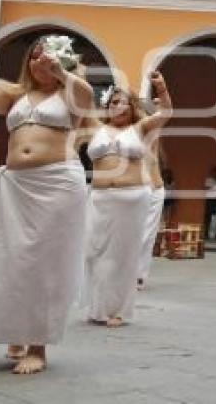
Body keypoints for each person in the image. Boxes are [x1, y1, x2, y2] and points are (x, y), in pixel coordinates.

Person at [0, 35, 93, 374]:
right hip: (16, 186)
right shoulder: (15, 95)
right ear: (28, 61)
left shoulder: (69, 90)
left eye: (49, 57)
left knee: (44, 263)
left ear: (62, 62)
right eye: (36, 56)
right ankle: (15, 329)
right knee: (10, 259)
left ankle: (37, 346)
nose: (40, 61)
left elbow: (85, 99)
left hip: (57, 182)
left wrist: (64, 72)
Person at [82, 77, 172, 327]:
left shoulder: (140, 128)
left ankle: (118, 311)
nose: (117, 106)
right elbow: (76, 102)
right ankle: (97, 306)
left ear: (132, 107)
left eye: (123, 102)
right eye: (113, 101)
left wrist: (162, 88)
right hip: (99, 196)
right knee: (93, 252)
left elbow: (166, 112)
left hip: (131, 196)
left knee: (123, 255)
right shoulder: (94, 125)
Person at [137, 118, 169, 290]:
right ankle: (128, 273)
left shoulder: (154, 136)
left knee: (147, 235)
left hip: (154, 188)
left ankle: (139, 274)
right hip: (134, 188)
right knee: (134, 233)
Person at [203, 165, 216, 240]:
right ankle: (206, 233)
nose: (215, 173)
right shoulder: (208, 180)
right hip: (210, 199)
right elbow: (207, 188)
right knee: (208, 216)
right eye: (213, 172)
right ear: (211, 173)